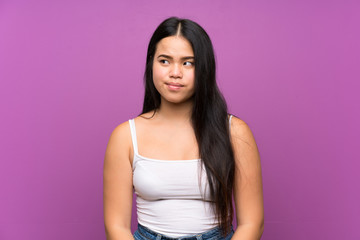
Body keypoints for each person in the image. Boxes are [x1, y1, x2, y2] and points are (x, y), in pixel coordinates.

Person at [103, 17, 264, 240]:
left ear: (204, 68)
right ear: (151, 63)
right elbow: (116, 227)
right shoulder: (125, 136)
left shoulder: (234, 132)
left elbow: (252, 223)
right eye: (165, 61)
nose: (175, 72)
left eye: (188, 63)